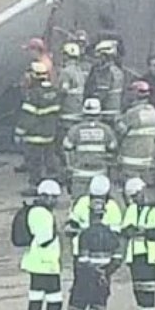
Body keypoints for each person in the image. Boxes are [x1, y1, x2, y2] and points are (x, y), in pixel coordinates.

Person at [53, 198, 121, 310]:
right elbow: (117, 259)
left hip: (86, 280)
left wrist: (92, 273)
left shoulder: (86, 235)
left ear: (91, 214)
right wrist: (105, 273)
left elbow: (83, 261)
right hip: (103, 281)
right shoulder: (112, 236)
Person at [20, 179, 63, 310]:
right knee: (54, 302)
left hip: (36, 264)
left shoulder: (33, 211)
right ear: (45, 196)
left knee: (35, 301)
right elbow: (45, 239)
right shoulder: (43, 214)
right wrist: (57, 233)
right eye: (53, 197)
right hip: (47, 265)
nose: (55, 201)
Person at [120, 177, 155, 310]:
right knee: (138, 287)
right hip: (134, 253)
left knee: (148, 288)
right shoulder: (132, 209)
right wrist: (137, 231)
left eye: (136, 195)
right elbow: (126, 229)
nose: (135, 199)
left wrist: (141, 231)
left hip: (149, 254)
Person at [15, 60, 61, 189]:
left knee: (34, 163)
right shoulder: (53, 92)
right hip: (49, 134)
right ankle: (53, 183)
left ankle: (34, 186)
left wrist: (19, 132)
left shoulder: (33, 94)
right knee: (50, 161)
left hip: (35, 136)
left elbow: (27, 117)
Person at [66, 174, 123, 277]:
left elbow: (116, 235)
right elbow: (70, 226)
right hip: (81, 253)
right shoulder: (82, 202)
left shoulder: (113, 207)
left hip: (103, 255)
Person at [62, 98, 117, 199]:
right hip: (100, 172)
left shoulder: (75, 129)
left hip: (80, 173)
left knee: (78, 202)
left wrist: (69, 168)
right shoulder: (106, 130)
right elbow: (113, 148)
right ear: (99, 114)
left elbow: (67, 148)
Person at [85, 39, 125, 124]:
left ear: (105, 56)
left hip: (105, 114)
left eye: (99, 57)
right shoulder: (118, 70)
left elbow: (101, 93)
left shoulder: (105, 72)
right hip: (115, 112)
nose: (97, 60)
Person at [56, 41, 88, 136]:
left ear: (66, 55)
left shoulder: (66, 72)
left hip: (67, 114)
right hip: (78, 112)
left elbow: (63, 92)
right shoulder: (79, 71)